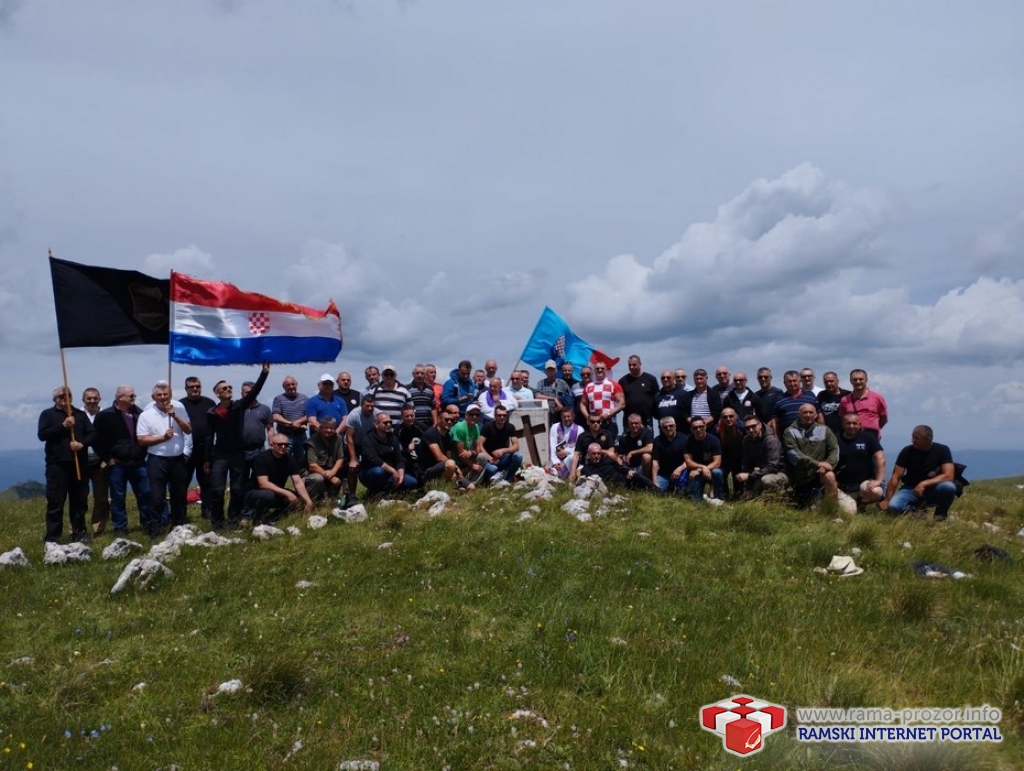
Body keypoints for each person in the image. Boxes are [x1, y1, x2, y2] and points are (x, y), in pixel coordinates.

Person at [206, 363, 270, 531]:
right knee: (218, 491)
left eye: (230, 387)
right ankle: (218, 524)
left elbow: (255, 391)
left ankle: (233, 521)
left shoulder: (239, 406)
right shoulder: (212, 412)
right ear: (217, 393)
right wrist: (207, 458)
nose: (228, 389)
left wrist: (264, 373)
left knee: (237, 489)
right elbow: (209, 436)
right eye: (224, 388)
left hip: (238, 455)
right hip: (219, 455)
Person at [94, 384, 153, 537]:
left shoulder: (140, 414)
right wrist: (107, 458)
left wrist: (143, 452)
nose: (134, 398)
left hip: (138, 461)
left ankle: (147, 524)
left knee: (145, 494)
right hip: (117, 463)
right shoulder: (105, 416)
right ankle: (120, 528)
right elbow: (96, 439)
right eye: (131, 396)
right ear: (120, 397)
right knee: (117, 497)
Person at [136, 380, 193, 535]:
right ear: (153, 397)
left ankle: (178, 526)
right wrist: (162, 438)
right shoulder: (146, 415)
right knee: (156, 496)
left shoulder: (179, 409)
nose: (162, 398)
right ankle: (155, 528)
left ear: (171, 395)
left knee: (179, 494)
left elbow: (188, 430)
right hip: (157, 459)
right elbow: (141, 439)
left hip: (177, 459)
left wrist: (175, 416)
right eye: (159, 395)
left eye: (165, 394)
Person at [38, 386, 94, 543]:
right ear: (55, 399)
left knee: (79, 501)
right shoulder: (48, 415)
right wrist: (63, 426)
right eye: (61, 396)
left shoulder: (80, 415)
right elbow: (42, 435)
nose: (65, 398)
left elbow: (92, 433)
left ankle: (79, 533)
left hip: (79, 464)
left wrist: (82, 444)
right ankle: (53, 537)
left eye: (68, 395)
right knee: (56, 501)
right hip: (57, 465)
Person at [879, 425, 957, 521]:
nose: (913, 440)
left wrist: (924, 483)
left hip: (933, 488)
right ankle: (916, 513)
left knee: (949, 487)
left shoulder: (942, 450)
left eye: (917, 438)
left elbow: (949, 476)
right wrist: (887, 500)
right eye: (913, 437)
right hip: (910, 489)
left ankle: (940, 516)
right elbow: (896, 476)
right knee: (894, 506)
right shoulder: (907, 451)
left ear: (928, 439)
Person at [241, 435, 314, 525]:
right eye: (280, 444)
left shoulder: (289, 459)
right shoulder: (261, 458)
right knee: (268, 495)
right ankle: (256, 519)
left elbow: (297, 481)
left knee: (298, 500)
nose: (283, 447)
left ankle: (274, 517)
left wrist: (308, 501)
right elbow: (263, 484)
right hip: (256, 493)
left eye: (286, 445)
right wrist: (287, 493)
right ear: (272, 445)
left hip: (276, 492)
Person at [782, 403, 839, 506]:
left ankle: (832, 509)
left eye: (811, 412)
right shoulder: (789, 431)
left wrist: (827, 465)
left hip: (819, 474)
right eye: (804, 412)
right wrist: (817, 464)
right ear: (799, 414)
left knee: (830, 476)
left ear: (816, 415)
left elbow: (835, 449)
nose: (808, 415)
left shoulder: (825, 430)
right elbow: (794, 455)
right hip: (800, 477)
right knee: (805, 506)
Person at [181, 376, 217, 520]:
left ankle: (207, 510)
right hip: (186, 450)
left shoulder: (210, 403)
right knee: (182, 482)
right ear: (186, 389)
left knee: (207, 481)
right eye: (191, 387)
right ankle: (181, 512)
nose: (195, 389)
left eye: (197, 386)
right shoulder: (180, 405)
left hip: (206, 449)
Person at [359, 412, 420, 496]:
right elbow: (373, 459)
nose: (388, 424)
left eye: (390, 422)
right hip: (370, 472)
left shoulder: (393, 438)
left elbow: (399, 459)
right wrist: (393, 471)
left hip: (390, 473)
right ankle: (373, 493)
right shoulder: (368, 439)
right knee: (379, 472)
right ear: (376, 425)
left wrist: (400, 477)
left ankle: (390, 492)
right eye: (385, 423)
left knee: (412, 482)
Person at [835, 413, 885, 513]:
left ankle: (862, 503)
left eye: (854, 423)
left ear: (860, 424)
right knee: (850, 512)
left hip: (864, 485)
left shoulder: (868, 437)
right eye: (848, 423)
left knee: (877, 492)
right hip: (843, 487)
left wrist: (878, 480)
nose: (851, 426)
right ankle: (854, 504)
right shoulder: (836, 438)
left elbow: (880, 457)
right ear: (842, 424)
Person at [736, 414, 788, 496]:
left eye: (753, 426)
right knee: (750, 494)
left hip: (780, 473)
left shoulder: (770, 440)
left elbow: (773, 467)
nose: (751, 430)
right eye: (747, 428)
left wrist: (749, 476)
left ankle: (783, 494)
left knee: (766, 481)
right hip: (762, 472)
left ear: (760, 425)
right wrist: (748, 487)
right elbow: (747, 464)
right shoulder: (747, 440)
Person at [343, 392, 380, 508]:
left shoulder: (377, 414)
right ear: (361, 405)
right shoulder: (354, 415)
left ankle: (373, 492)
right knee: (352, 468)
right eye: (367, 406)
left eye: (372, 406)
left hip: (369, 444)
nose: (370, 409)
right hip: (354, 443)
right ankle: (352, 495)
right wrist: (353, 458)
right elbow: (349, 437)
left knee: (374, 467)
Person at [577, 442, 661, 493]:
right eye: (594, 454)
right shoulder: (586, 469)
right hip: (611, 487)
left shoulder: (607, 460)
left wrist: (628, 470)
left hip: (624, 481)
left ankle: (659, 492)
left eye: (598, 453)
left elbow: (620, 467)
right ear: (588, 454)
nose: (597, 456)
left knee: (635, 475)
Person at [81, 387, 110, 535]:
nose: (92, 401)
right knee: (80, 496)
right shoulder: (77, 416)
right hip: (81, 461)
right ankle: (78, 527)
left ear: (99, 399)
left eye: (95, 398)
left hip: (101, 461)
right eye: (89, 398)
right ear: (83, 400)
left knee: (101, 497)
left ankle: (98, 527)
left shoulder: (106, 415)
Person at [418, 405, 468, 488]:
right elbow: (439, 457)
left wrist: (454, 472)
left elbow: (448, 456)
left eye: (451, 420)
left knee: (470, 488)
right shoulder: (430, 433)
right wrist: (456, 468)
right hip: (427, 471)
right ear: (439, 420)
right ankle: (438, 488)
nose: (449, 422)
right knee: (451, 464)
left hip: (443, 470)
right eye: (446, 419)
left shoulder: (448, 437)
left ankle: (450, 487)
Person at [450, 404, 497, 485]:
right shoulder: (460, 428)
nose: (474, 417)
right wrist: (472, 465)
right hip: (456, 460)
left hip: (468, 456)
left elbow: (478, 448)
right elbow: (461, 454)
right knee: (490, 468)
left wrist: (471, 452)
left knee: (484, 458)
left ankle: (472, 483)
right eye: (471, 414)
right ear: (466, 415)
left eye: (477, 415)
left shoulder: (476, 427)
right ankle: (465, 483)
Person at [302, 417, 346, 503]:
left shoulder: (338, 438)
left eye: (331, 428)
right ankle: (309, 502)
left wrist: (333, 472)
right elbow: (312, 466)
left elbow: (340, 458)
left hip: (330, 470)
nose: (329, 430)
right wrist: (330, 477)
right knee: (318, 478)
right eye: (326, 427)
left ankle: (338, 498)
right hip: (311, 473)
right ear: (320, 428)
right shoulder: (311, 442)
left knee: (347, 468)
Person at [684, 417, 725, 502]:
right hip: (696, 471)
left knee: (717, 472)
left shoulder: (714, 440)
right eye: (695, 428)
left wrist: (704, 468)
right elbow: (688, 462)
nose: (698, 429)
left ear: (705, 426)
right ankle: (700, 496)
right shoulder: (688, 441)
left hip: (712, 470)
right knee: (696, 501)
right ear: (691, 429)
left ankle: (718, 496)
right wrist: (702, 468)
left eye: (701, 426)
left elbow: (717, 462)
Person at [838, 369, 888, 438]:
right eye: (855, 379)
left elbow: (883, 418)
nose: (858, 382)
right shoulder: (845, 400)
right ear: (851, 381)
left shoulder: (878, 398)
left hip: (872, 436)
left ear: (866, 380)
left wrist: (874, 428)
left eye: (861, 379)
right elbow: (842, 419)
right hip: (852, 437)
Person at [271, 375, 309, 465]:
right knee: (282, 461)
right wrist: (291, 424)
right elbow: (275, 416)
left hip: (301, 436)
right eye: (288, 385)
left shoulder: (304, 398)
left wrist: (299, 422)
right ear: (284, 387)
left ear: (297, 384)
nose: (291, 387)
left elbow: (309, 415)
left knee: (302, 462)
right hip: (284, 436)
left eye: (293, 384)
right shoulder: (279, 399)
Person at [581, 362, 625, 441]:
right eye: (597, 368)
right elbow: (582, 404)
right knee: (594, 449)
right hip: (594, 424)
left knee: (609, 449)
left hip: (609, 423)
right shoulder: (589, 386)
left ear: (606, 370)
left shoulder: (614, 384)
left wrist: (608, 414)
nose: (600, 370)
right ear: (594, 371)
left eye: (602, 368)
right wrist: (588, 417)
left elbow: (622, 403)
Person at [480, 404, 523, 482]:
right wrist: (489, 458)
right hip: (488, 459)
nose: (502, 417)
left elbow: (516, 446)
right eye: (499, 415)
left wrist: (502, 450)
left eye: (504, 415)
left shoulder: (510, 427)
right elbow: (480, 445)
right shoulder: (487, 427)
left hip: (502, 459)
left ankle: (506, 481)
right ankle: (489, 480)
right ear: (495, 416)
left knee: (518, 456)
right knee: (493, 469)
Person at [770, 370, 821, 436]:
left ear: (799, 381)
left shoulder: (810, 395)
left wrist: (821, 434)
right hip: (788, 439)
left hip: (810, 437)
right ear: (784, 383)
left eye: (794, 381)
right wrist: (776, 437)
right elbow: (774, 421)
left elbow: (819, 415)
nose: (792, 384)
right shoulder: (779, 399)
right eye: (789, 381)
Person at [241, 380, 273, 480]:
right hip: (241, 450)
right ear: (241, 393)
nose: (249, 394)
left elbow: (270, 428)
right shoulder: (236, 409)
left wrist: (271, 444)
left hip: (258, 449)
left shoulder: (265, 409)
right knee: (241, 478)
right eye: (246, 392)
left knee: (259, 477)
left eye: (252, 392)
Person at [569, 414, 617, 481]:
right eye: (592, 421)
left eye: (598, 421)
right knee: (579, 473)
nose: (595, 424)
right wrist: (572, 473)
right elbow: (576, 455)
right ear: (588, 422)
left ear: (601, 422)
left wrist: (595, 451)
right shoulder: (582, 437)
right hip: (586, 465)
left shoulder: (607, 434)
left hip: (603, 465)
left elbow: (611, 453)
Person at [618, 355, 659, 428]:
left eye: (634, 365)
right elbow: (619, 400)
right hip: (629, 420)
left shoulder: (650, 379)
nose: (631, 367)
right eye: (629, 365)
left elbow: (657, 397)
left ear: (640, 364)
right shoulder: (623, 381)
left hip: (646, 419)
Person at [651, 416, 688, 493]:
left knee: (682, 493)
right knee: (655, 491)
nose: (668, 428)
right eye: (665, 427)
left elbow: (689, 460)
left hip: (680, 473)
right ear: (661, 428)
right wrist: (654, 480)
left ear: (675, 426)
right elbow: (655, 462)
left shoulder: (684, 439)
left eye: (671, 426)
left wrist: (679, 469)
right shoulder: (657, 440)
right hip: (664, 474)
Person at [680, 369, 723, 434]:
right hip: (693, 430)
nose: (699, 381)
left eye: (701, 378)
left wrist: (703, 423)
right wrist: (693, 423)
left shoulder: (714, 394)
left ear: (706, 378)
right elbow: (684, 413)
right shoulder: (688, 396)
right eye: (696, 379)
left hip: (710, 429)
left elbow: (716, 413)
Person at [716, 408, 745, 498]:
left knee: (738, 477)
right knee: (721, 474)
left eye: (731, 416)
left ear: (736, 416)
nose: (728, 419)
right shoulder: (717, 429)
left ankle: (738, 493)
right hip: (725, 458)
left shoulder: (742, 427)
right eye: (725, 417)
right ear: (721, 418)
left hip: (740, 457)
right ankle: (724, 494)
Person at [548, 406, 583, 479]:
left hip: (571, 458)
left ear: (573, 417)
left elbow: (580, 449)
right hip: (556, 458)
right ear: (561, 417)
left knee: (571, 457)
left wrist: (566, 452)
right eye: (564, 417)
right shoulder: (555, 427)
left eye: (568, 416)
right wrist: (555, 462)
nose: (566, 419)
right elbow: (552, 445)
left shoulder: (579, 429)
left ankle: (567, 476)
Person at [616, 413, 654, 479]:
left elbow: (650, 448)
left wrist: (632, 452)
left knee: (647, 457)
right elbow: (619, 455)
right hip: (628, 466)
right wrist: (622, 461)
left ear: (641, 423)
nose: (634, 425)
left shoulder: (646, 433)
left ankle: (646, 480)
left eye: (636, 423)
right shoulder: (624, 437)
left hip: (640, 466)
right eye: (631, 423)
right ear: (628, 424)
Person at [534, 360, 572, 424]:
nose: (550, 372)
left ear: (556, 370)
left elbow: (570, 398)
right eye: (548, 369)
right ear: (545, 371)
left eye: (552, 369)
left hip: (560, 416)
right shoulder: (541, 383)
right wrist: (554, 399)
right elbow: (537, 396)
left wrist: (563, 406)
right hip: (545, 415)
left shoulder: (562, 383)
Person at [816, 371, 850, 437]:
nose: (829, 384)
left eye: (831, 381)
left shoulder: (846, 395)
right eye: (826, 382)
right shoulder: (821, 395)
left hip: (842, 433)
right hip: (825, 434)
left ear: (837, 381)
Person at [407, 364, 438, 429]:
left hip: (429, 425)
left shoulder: (430, 389)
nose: (419, 375)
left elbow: (433, 407)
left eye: (422, 373)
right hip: (413, 425)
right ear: (413, 374)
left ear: (425, 375)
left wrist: (435, 422)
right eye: (417, 373)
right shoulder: (407, 389)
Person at [396, 403, 425, 471]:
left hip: (420, 460)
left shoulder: (422, 428)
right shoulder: (398, 431)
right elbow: (397, 452)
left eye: (412, 416)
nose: (410, 418)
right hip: (405, 461)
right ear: (402, 417)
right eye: (407, 416)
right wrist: (407, 450)